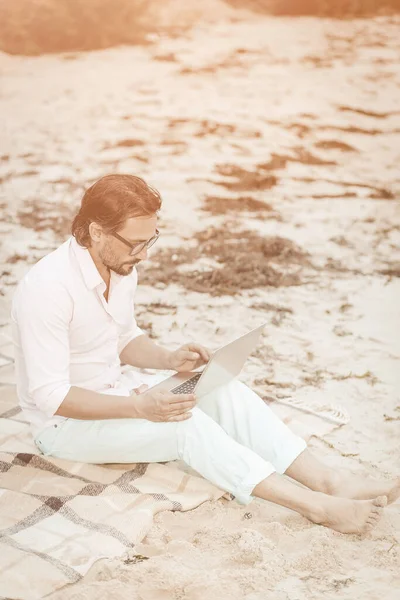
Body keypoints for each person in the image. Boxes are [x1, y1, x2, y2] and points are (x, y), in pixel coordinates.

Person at [11, 174, 399, 535]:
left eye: (151, 240)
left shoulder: (121, 264)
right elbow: (52, 397)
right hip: (63, 429)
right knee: (184, 424)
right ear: (96, 232)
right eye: (137, 244)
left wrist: (168, 359)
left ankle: (329, 481)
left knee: (222, 389)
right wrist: (140, 409)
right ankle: (314, 505)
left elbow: (122, 339)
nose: (144, 255)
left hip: (122, 392)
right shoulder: (47, 289)